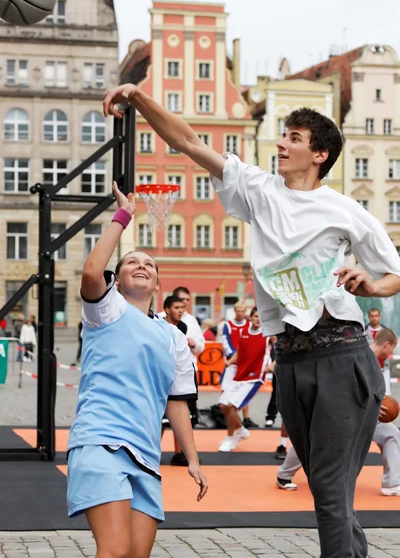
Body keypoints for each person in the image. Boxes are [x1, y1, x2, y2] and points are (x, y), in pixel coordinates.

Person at [104, 85, 400, 558]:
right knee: (332, 490)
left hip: (342, 353)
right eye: (282, 135)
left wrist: (369, 281)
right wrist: (138, 98)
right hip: (289, 360)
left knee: (326, 486)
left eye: (294, 137)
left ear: (319, 154)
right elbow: (189, 141)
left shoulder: (346, 210)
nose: (281, 143)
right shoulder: (259, 189)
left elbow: (394, 276)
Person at [67, 182, 208, 558]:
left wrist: (192, 458)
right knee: (113, 550)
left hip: (146, 452)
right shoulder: (106, 310)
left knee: (135, 556)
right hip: (101, 440)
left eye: (149, 264)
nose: (141, 265)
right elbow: (92, 270)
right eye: (132, 261)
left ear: (158, 283)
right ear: (118, 277)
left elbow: (176, 403)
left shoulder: (174, 336)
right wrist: (122, 216)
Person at [276, 328, 400, 496]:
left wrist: (377, 403)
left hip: (368, 413)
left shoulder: (378, 362)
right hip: (344, 412)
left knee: (391, 433)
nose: (392, 353)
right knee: (314, 438)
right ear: (386, 345)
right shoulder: (360, 357)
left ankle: (392, 483)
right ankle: (284, 474)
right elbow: (343, 386)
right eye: (393, 348)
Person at [219, 307, 269, 452]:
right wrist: (230, 362)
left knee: (232, 407)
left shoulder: (267, 334)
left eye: (261, 317)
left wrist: (272, 365)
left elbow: (281, 348)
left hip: (254, 378)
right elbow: (240, 352)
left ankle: (229, 439)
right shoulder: (243, 332)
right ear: (251, 318)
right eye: (255, 316)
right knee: (223, 405)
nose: (258, 319)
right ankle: (241, 430)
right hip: (239, 375)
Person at [162, 294, 198, 467]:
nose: (180, 311)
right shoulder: (158, 324)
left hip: (180, 373)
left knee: (183, 414)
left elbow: (199, 347)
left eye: (182, 308)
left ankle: (180, 454)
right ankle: (152, 450)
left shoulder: (183, 326)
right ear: (167, 310)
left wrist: (194, 343)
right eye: (177, 308)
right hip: (162, 374)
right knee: (160, 420)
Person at [221, 302, 258, 428]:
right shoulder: (228, 325)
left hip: (245, 364)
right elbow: (225, 341)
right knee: (225, 389)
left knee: (243, 389)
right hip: (232, 362)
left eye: (242, 311)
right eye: (238, 311)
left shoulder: (249, 325)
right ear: (235, 311)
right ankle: (227, 417)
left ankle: (245, 418)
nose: (240, 313)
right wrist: (233, 356)